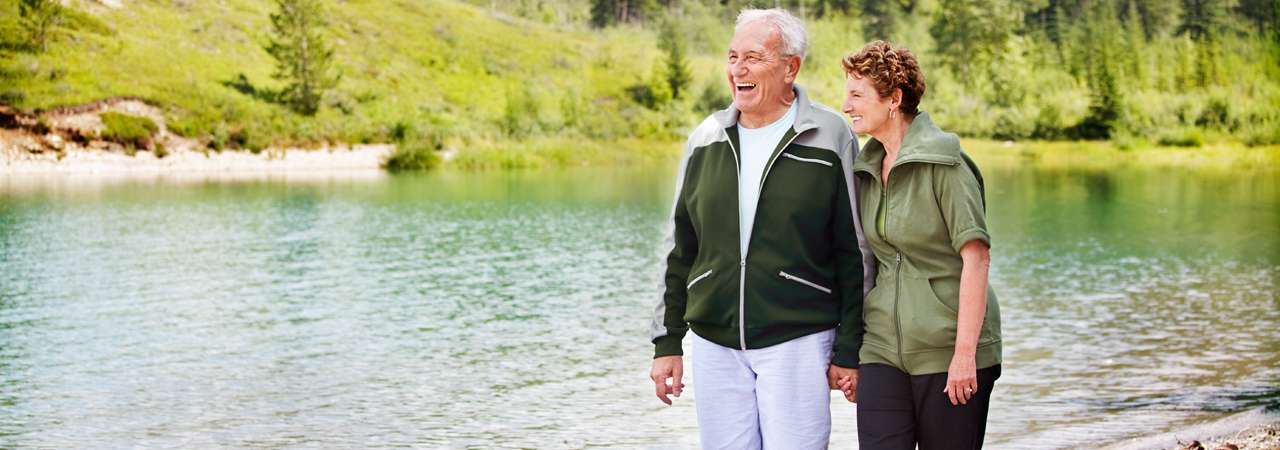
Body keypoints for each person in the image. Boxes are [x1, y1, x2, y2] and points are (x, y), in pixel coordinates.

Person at [647, 8, 875, 449]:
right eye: (733, 57)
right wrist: (667, 342)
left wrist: (850, 347)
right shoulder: (706, 138)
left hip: (798, 340)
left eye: (753, 57)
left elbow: (855, 251)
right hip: (715, 342)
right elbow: (679, 250)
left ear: (791, 67)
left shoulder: (830, 135)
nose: (739, 69)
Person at [835, 40, 1004, 450]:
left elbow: (976, 259)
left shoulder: (947, 165)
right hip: (882, 349)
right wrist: (851, 350)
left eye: (857, 95)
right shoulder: (866, 169)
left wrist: (964, 355)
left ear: (893, 98)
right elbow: (864, 261)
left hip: (947, 348)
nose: (846, 106)